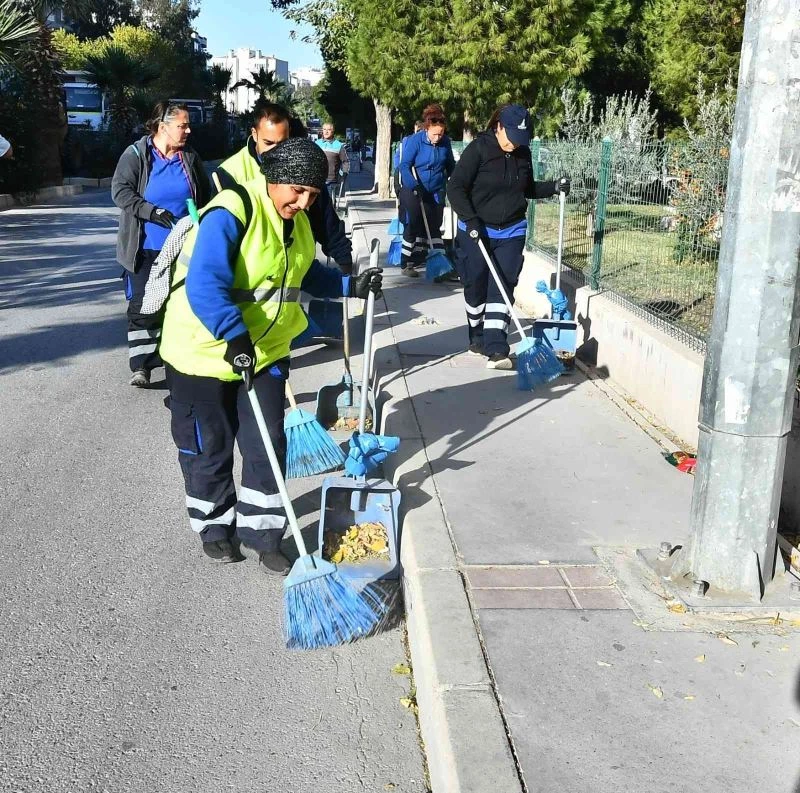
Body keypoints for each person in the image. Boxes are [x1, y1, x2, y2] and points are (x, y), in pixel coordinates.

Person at [159, 138, 382, 572]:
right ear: (272, 178)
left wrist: (347, 287)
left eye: (313, 194)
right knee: (211, 445)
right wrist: (234, 337)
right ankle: (214, 526)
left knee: (267, 443)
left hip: (263, 351)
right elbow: (205, 284)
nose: (303, 201)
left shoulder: (297, 224)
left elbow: (304, 273)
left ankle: (264, 533)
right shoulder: (232, 212)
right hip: (202, 351)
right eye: (296, 190)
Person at [446, 104, 570, 370]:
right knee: (475, 286)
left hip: (512, 230)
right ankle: (476, 334)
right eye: (512, 137)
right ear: (499, 127)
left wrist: (554, 187)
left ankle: (497, 348)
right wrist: (471, 220)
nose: (515, 144)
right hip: (476, 229)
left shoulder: (522, 153)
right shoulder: (479, 149)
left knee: (502, 286)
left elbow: (529, 189)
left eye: (520, 139)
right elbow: (455, 187)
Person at [112, 101, 211, 387]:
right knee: (145, 305)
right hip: (145, 246)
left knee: (178, 303)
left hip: (184, 245)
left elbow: (205, 195)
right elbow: (120, 192)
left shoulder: (189, 158)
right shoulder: (136, 155)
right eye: (182, 125)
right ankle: (141, 365)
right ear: (162, 126)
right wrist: (151, 212)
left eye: (188, 125)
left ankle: (175, 361)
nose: (188, 130)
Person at [216, 101, 353, 273]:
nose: (275, 151)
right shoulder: (229, 174)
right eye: (269, 142)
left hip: (288, 269)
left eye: (282, 143)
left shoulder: (302, 164)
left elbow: (325, 221)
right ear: (254, 134)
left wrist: (347, 273)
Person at [398, 105, 455, 277]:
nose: (438, 138)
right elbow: (404, 165)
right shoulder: (415, 141)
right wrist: (414, 185)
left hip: (436, 188)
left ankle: (440, 266)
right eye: (434, 134)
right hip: (414, 187)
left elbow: (450, 165)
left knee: (435, 225)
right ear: (427, 129)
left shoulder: (445, 143)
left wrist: (457, 181)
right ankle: (406, 263)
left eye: (441, 134)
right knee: (414, 222)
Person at [315, 121, 349, 205]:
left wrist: (345, 172)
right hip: (317, 180)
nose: (326, 131)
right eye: (324, 129)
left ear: (332, 131)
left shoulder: (338, 145)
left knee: (330, 205)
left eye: (329, 130)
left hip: (331, 181)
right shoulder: (316, 143)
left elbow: (345, 161)